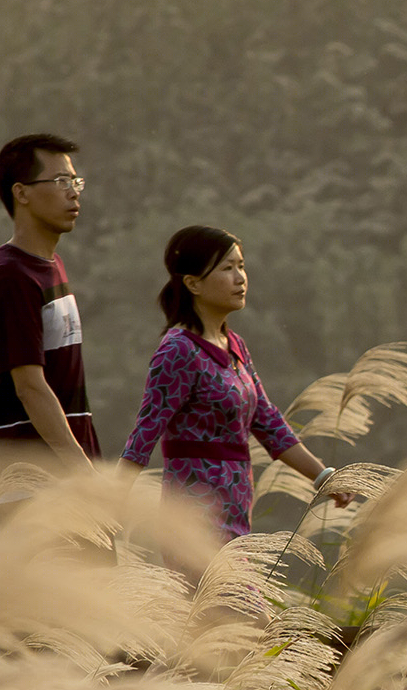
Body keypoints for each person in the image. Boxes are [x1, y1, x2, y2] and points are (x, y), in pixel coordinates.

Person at [118, 226, 343, 546]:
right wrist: (107, 505)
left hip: (236, 514)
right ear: (193, 283)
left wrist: (323, 477)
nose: (240, 277)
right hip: (194, 520)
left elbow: (268, 421)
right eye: (227, 268)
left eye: (241, 266)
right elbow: (145, 432)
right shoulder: (178, 350)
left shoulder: (234, 346)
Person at [0, 134, 100, 524]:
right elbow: (29, 387)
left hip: (63, 484)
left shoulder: (48, 267)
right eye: (60, 182)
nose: (73, 194)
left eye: (75, 182)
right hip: (34, 492)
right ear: (21, 193)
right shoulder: (11, 277)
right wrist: (84, 472)